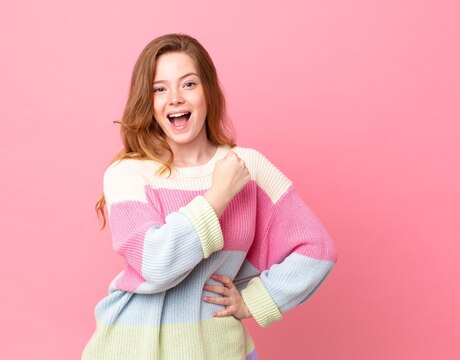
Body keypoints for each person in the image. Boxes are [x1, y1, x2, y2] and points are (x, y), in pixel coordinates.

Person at [82, 33, 337, 360]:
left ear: (209, 93)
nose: (174, 98)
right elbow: (156, 265)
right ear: (150, 104)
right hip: (131, 347)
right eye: (160, 89)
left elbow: (318, 249)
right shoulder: (128, 174)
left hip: (220, 349)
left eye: (188, 84)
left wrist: (255, 300)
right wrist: (217, 196)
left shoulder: (247, 167)